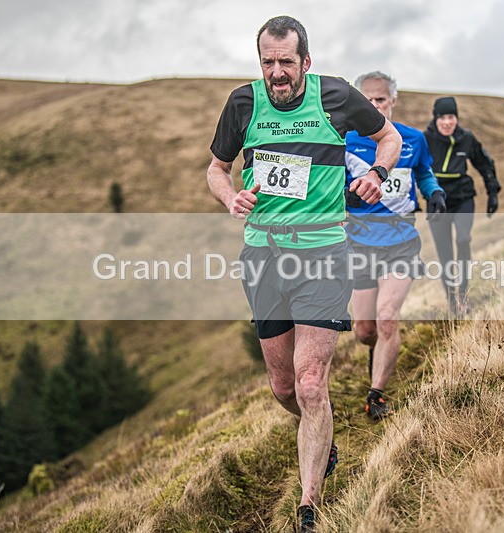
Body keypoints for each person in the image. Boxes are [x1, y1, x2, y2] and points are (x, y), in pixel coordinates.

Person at [206, 16, 402, 531]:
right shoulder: (243, 104)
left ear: (305, 62)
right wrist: (231, 197)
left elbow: (389, 138)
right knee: (284, 388)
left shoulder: (335, 96)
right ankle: (324, 432)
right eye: (268, 62)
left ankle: (308, 506)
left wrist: (378, 176)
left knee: (312, 384)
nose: (277, 73)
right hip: (264, 259)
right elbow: (215, 168)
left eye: (286, 62)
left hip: (323, 256)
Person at [344, 71, 445, 420]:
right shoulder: (346, 142)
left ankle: (377, 395)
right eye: (367, 100)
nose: (373, 106)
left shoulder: (413, 139)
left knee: (387, 318)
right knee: (364, 330)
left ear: (393, 101)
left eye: (380, 100)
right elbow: (331, 186)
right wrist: (347, 196)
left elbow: (425, 173)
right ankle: (377, 354)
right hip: (359, 244)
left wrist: (434, 193)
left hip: (401, 242)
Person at [424, 96, 501, 315]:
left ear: (456, 118)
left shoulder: (466, 138)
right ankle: (452, 301)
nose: (447, 122)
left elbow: (485, 164)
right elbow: (415, 168)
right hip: (437, 198)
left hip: (463, 196)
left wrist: (492, 192)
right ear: (435, 118)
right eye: (442, 118)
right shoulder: (425, 139)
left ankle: (464, 295)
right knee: (445, 253)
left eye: (451, 117)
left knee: (464, 238)